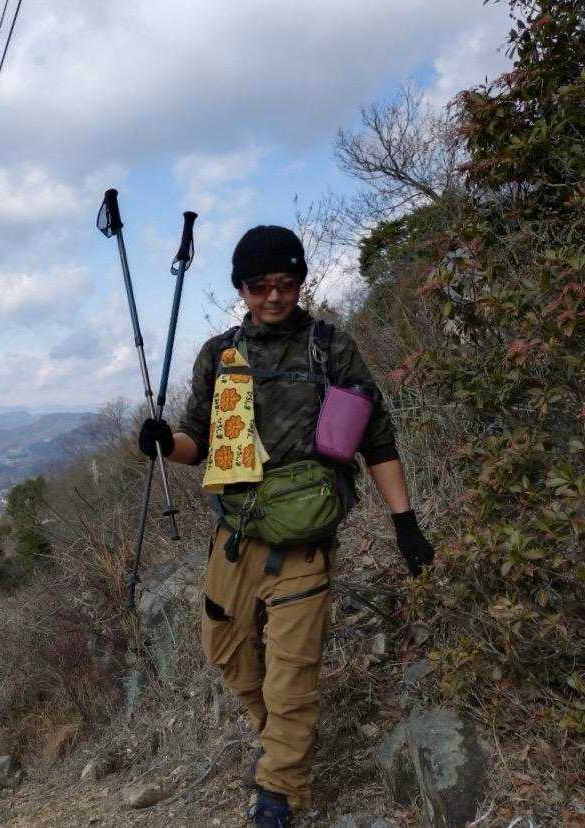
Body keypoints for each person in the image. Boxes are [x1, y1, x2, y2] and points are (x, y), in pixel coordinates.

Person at [137, 225, 434, 827]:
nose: (274, 296)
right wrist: (165, 442)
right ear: (241, 289)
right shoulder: (220, 355)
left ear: (300, 282)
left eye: (286, 283)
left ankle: (279, 791)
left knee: (292, 673)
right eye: (259, 285)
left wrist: (405, 522)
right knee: (224, 649)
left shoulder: (331, 348)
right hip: (235, 534)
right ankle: (279, 739)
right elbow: (198, 443)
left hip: (304, 542)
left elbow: (377, 441)